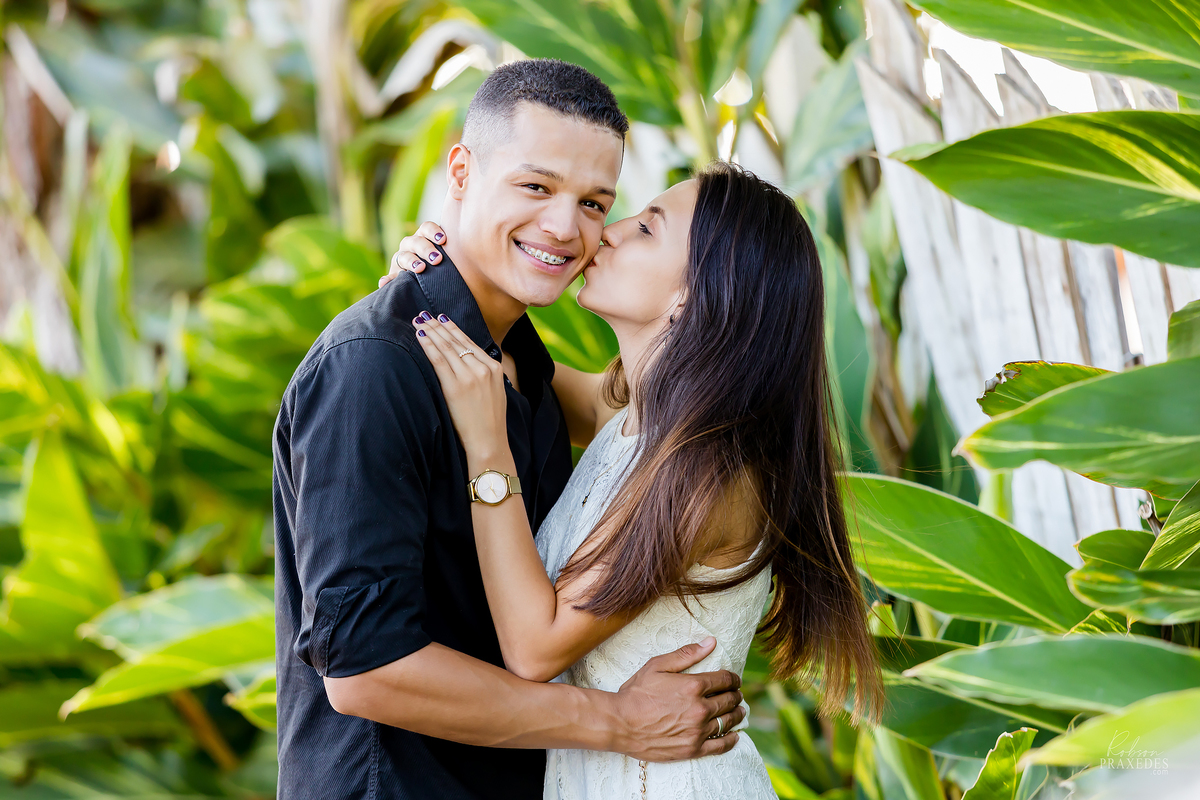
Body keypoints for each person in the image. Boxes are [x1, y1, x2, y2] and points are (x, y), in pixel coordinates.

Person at [272, 60, 747, 800]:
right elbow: (364, 672)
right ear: (461, 172)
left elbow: (651, 407)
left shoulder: (520, 367)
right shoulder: (374, 368)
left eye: (595, 203)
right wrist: (616, 721)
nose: (565, 227)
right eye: (535, 186)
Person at [381, 162, 885, 798]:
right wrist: (434, 284)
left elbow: (535, 649)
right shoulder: (632, 419)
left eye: (647, 228)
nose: (611, 232)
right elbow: (491, 364)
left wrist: (489, 454)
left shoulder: (711, 473)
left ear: (694, 296)